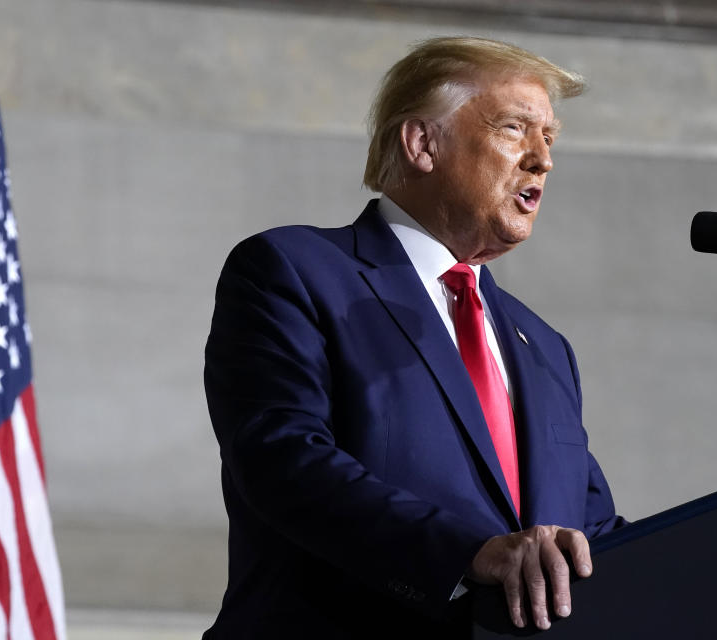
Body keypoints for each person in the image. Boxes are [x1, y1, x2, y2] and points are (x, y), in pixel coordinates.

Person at [203, 36, 625, 638]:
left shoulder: (544, 346)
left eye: (549, 137)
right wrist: (466, 553)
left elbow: (594, 533)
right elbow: (283, 458)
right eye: (515, 129)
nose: (543, 159)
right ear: (422, 143)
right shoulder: (293, 271)